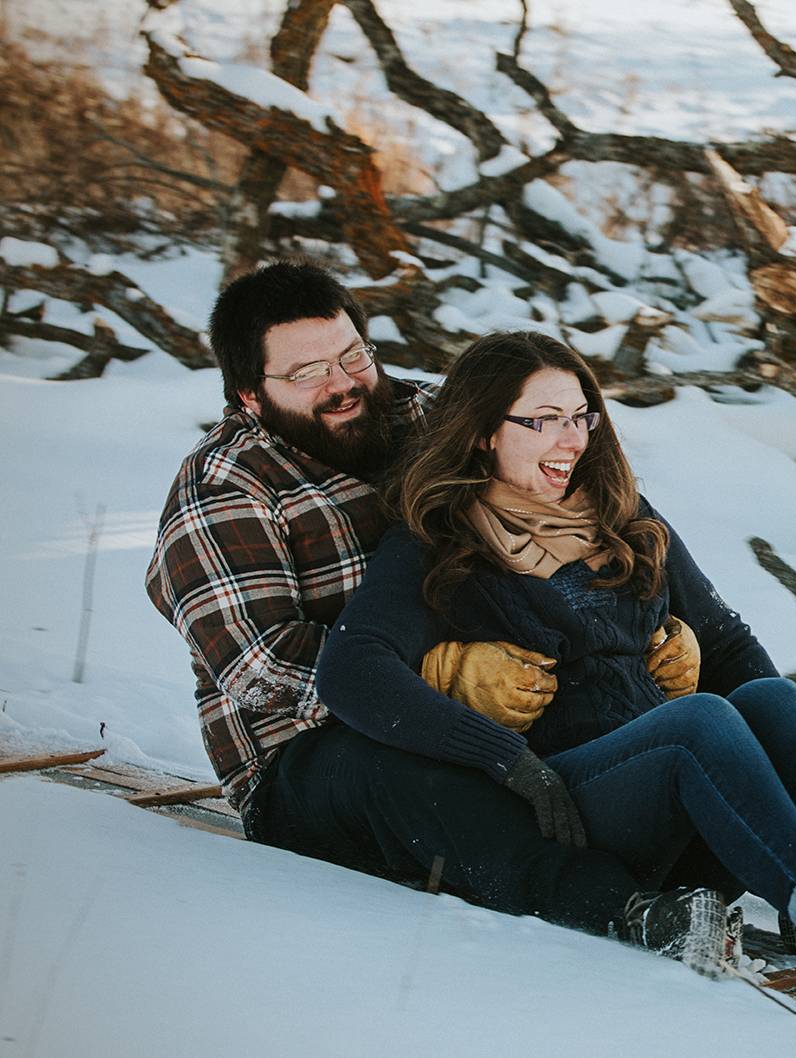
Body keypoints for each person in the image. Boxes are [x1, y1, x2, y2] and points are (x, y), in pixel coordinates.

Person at [314, 330, 796, 1018]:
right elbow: (351, 670)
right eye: (544, 421)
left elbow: (729, 644)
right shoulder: (438, 540)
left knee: (767, 694)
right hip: (572, 809)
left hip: (682, 811)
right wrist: (498, 752)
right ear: (484, 433)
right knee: (697, 722)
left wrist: (775, 768)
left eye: (581, 416)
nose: (572, 441)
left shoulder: (620, 516)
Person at [145, 261, 646, 934]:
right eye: (307, 372)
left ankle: (688, 852)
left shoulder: (431, 417)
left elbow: (571, 497)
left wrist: (643, 621)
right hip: (311, 756)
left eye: (353, 354)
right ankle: (619, 910)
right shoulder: (223, 488)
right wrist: (438, 680)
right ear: (250, 396)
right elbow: (260, 666)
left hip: (506, 711)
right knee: (410, 775)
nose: (344, 383)